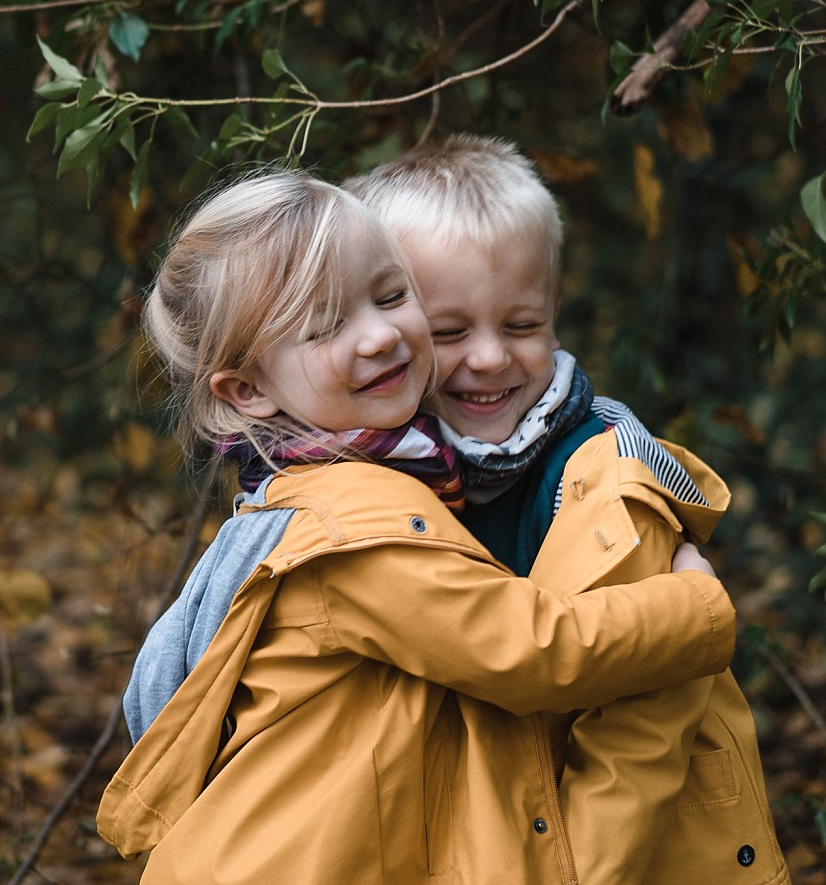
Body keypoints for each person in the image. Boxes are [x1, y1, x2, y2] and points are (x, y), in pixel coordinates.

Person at [97, 170, 739, 885]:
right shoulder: (354, 530)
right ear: (249, 389)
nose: (380, 335)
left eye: (392, 296)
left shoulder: (318, 491)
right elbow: (529, 650)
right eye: (326, 325)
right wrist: (697, 606)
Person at [346, 135, 790, 885]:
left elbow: (637, 745)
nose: (490, 358)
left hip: (634, 851)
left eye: (523, 326)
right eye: (450, 332)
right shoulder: (376, 477)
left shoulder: (608, 474)